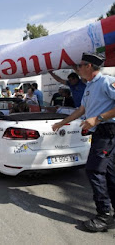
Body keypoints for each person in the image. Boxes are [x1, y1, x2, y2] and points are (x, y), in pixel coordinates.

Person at [52, 52, 115, 232]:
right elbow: (81, 110)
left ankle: (104, 216)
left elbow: (96, 115)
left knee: (94, 170)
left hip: (107, 131)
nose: (77, 68)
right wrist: (61, 123)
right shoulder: (89, 87)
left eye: (80, 65)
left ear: (89, 66)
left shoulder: (105, 81)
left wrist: (98, 119)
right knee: (109, 172)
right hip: (100, 132)